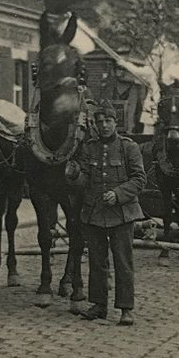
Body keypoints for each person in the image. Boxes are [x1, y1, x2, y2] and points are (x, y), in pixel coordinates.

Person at [65, 100, 147, 326]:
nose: (103, 126)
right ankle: (99, 304)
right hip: (94, 213)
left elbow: (140, 180)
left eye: (108, 121)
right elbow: (85, 182)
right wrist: (73, 175)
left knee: (123, 261)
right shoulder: (89, 148)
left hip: (121, 213)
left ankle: (126, 308)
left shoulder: (129, 147)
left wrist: (119, 194)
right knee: (97, 261)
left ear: (116, 123)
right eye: (99, 122)